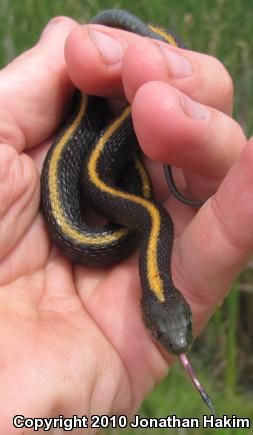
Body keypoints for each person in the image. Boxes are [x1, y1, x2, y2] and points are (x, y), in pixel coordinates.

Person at [0, 15, 252, 430]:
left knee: (127, 142)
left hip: (112, 171)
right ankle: (157, 61)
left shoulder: (152, 223)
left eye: (168, 332)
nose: (177, 341)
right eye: (174, 329)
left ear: (151, 312)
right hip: (99, 149)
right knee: (123, 130)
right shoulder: (151, 220)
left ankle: (157, 65)